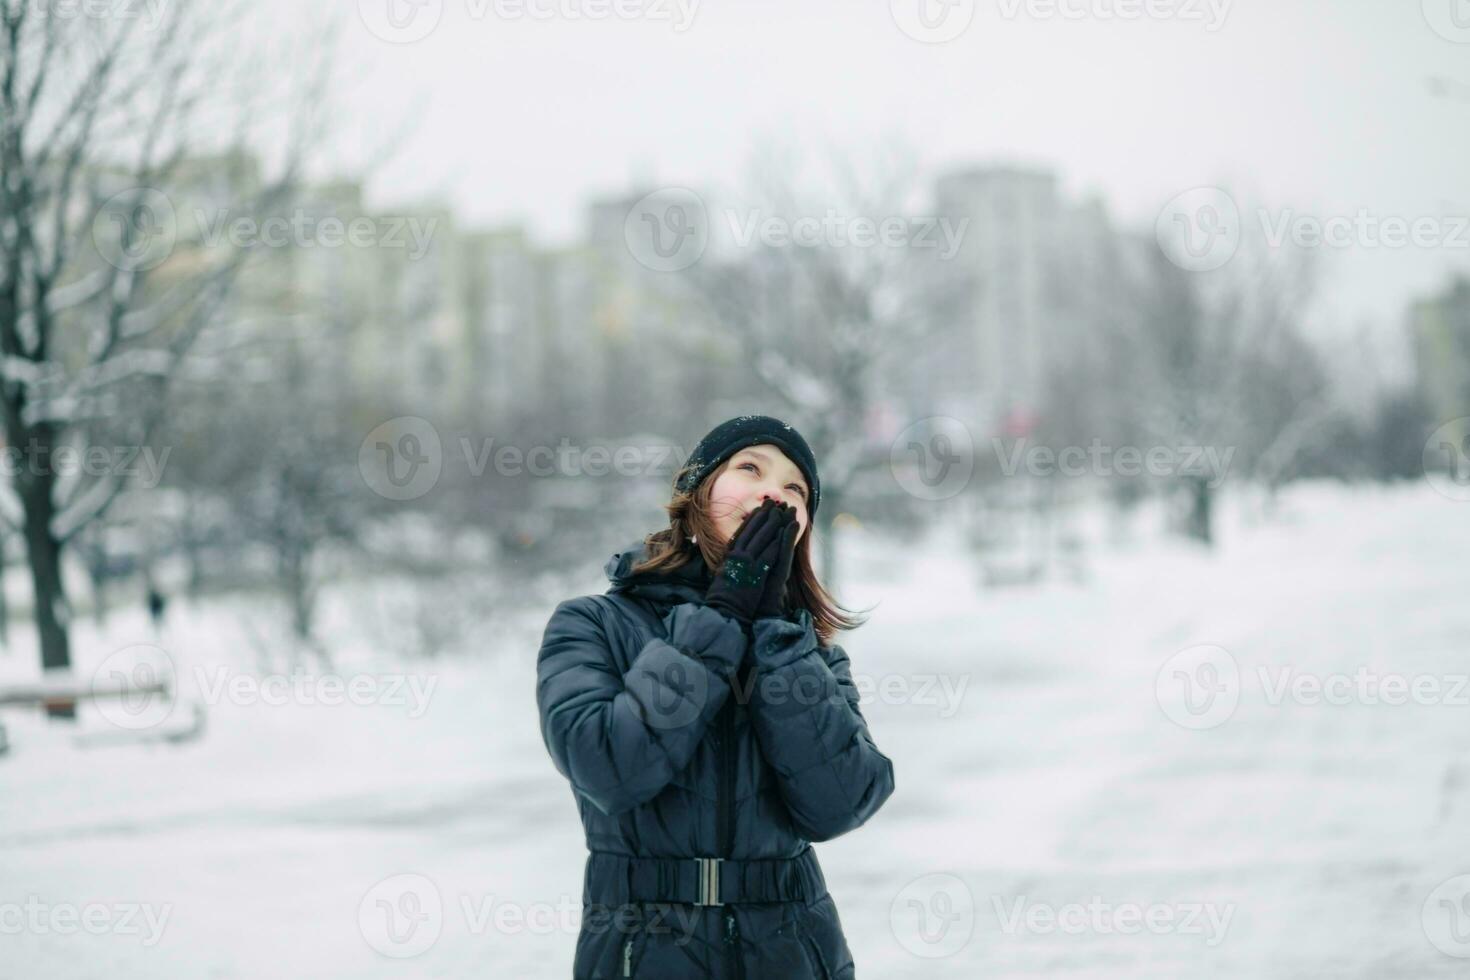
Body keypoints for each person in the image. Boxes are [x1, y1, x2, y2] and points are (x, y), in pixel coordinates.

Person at [536, 415, 896, 979]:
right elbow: (608, 769)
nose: (772, 492)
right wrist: (720, 615)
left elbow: (840, 804)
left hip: (792, 952)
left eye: (795, 489)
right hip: (643, 950)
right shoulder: (594, 623)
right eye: (749, 468)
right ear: (697, 494)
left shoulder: (807, 652)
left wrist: (776, 638)